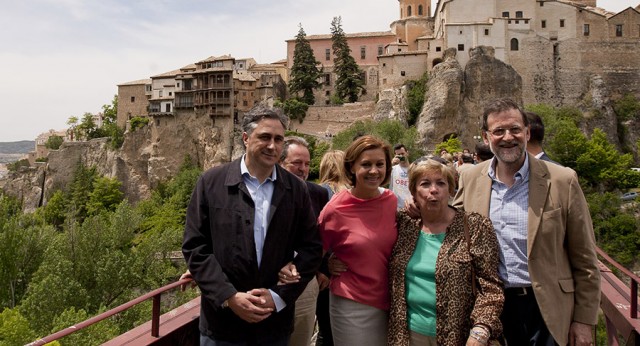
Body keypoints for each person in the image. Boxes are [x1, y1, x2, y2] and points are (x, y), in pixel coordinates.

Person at [453, 98, 600, 346]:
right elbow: (450, 229)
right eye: (498, 131)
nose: (508, 137)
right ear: (486, 136)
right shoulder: (470, 177)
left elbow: (585, 258)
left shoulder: (562, 179)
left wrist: (584, 321)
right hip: (491, 307)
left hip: (548, 309)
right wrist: (417, 211)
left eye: (515, 129)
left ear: (527, 133)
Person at [182, 106, 323, 346]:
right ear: (246, 138)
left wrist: (277, 297)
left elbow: (311, 249)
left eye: (278, 139)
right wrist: (229, 296)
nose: (272, 146)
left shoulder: (296, 190)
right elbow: (195, 247)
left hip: (273, 326)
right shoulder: (211, 182)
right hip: (222, 325)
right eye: (265, 137)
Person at [389, 156, 503, 345]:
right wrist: (332, 261)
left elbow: (491, 286)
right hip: (408, 334)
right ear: (413, 192)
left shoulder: (474, 226)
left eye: (440, 183)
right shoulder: (404, 223)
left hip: (460, 336)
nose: (433, 190)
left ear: (451, 189)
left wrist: (481, 329)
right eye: (425, 184)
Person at [320, 135, 398, 346]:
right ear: (352, 167)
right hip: (352, 303)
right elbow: (314, 247)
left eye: (380, 164)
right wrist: (325, 267)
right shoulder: (336, 207)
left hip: (392, 300)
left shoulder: (391, 200)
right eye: (366, 164)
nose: (374, 171)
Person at [278, 136, 330, 346]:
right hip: (271, 279)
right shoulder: (265, 192)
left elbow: (326, 234)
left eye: (307, 164)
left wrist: (323, 268)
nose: (303, 169)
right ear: (280, 163)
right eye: (297, 163)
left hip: (305, 281)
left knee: (301, 335)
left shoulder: (317, 193)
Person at [389, 144, 412, 210]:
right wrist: (391, 164)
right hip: (394, 207)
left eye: (402, 153)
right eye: (398, 155)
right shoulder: (392, 169)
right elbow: (381, 177)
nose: (401, 156)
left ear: (407, 153)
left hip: (410, 208)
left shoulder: (414, 169)